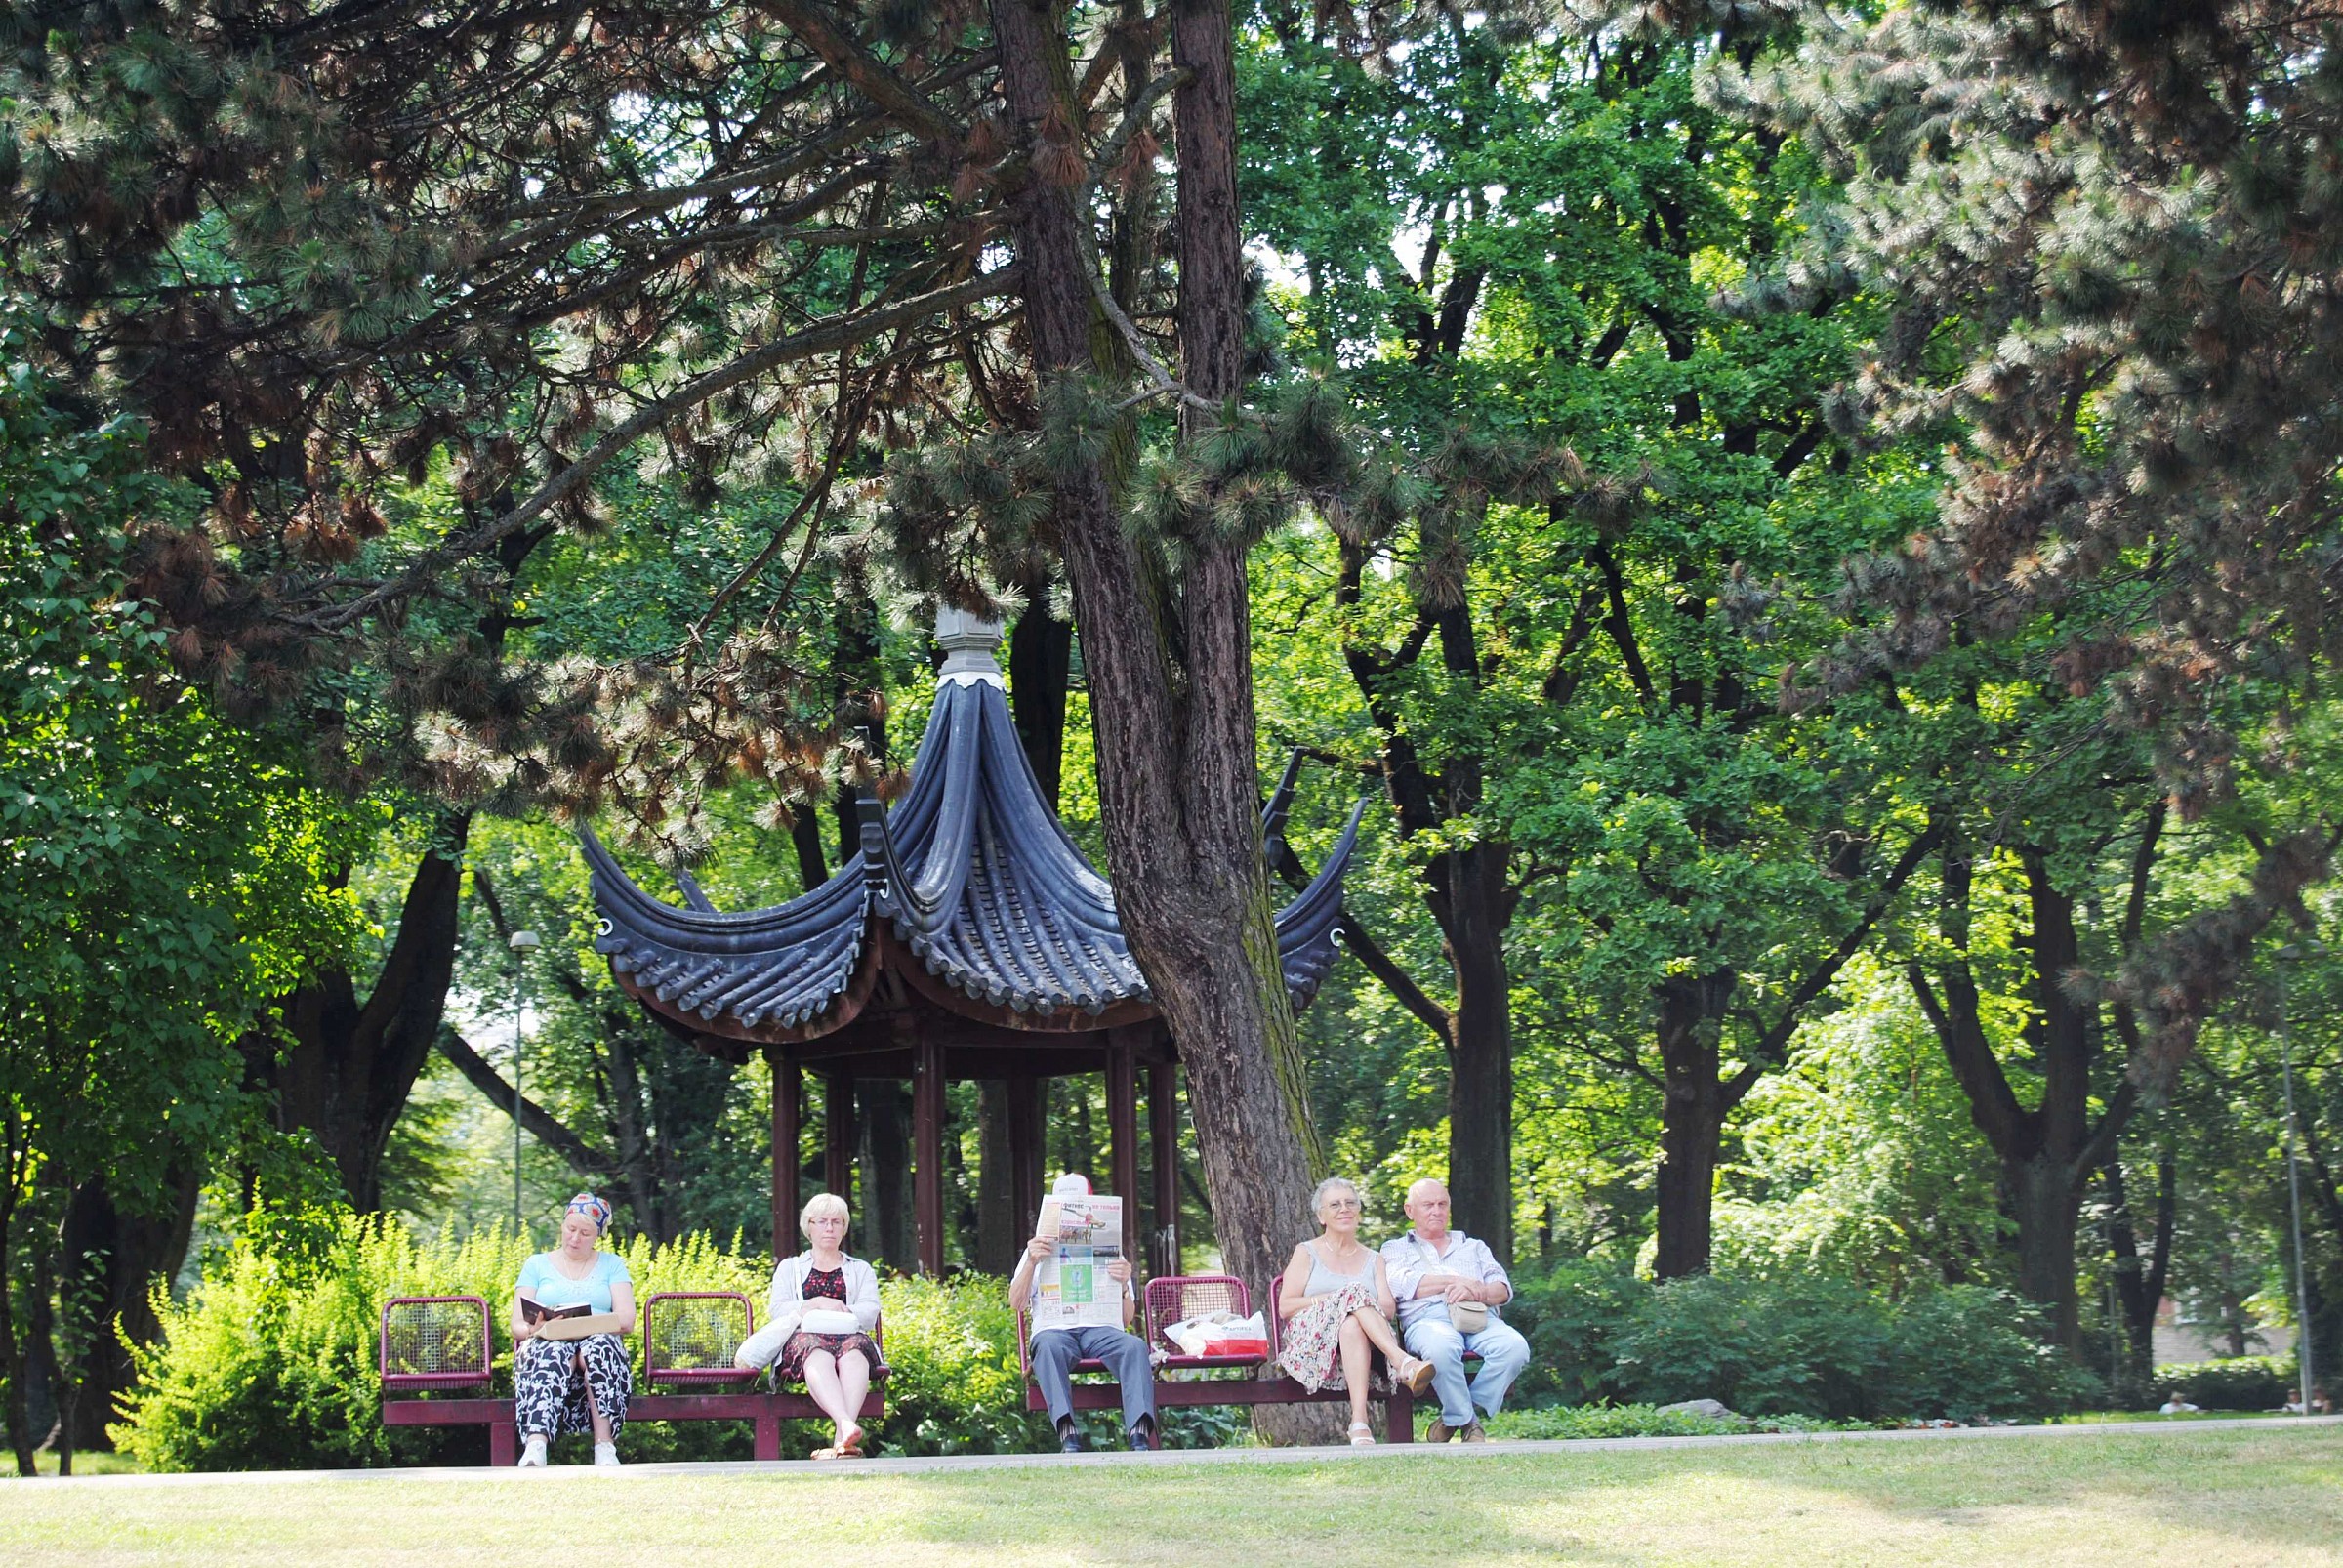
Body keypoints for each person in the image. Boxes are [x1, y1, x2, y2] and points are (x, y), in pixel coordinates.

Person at [1275, 1177, 1437, 1446]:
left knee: (1351, 1324)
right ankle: (1402, 1362)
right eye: (1335, 1204)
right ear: (1321, 1216)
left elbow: (1387, 1309)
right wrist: (1335, 1300)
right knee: (1353, 1292)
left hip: (1364, 1344)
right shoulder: (1306, 1252)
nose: (1344, 1209)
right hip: (1313, 1345)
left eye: (1350, 1203)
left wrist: (1351, 1306)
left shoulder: (1374, 1259)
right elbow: (1286, 1307)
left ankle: (1359, 1422)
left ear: (1359, 1212)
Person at [1009, 1174, 1156, 1453]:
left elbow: (1126, 1318)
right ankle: (1067, 1431)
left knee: (1134, 1347)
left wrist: (1124, 1285)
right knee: (1047, 1346)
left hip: (1100, 1330)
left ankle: (1139, 1432)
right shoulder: (1035, 1251)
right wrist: (1031, 1263)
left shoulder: (1111, 1251)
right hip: (1055, 1330)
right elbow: (1017, 1303)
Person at [733, 1192, 884, 1459]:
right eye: (822, 1221)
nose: (829, 1228)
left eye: (836, 1222)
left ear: (844, 1227)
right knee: (815, 1351)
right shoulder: (789, 1268)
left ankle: (842, 1439)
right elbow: (778, 1310)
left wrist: (841, 1309)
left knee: (856, 1352)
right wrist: (814, 1304)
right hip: (805, 1338)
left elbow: (870, 1312)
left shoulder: (860, 1269)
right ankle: (846, 1425)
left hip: (849, 1335)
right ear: (809, 1227)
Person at [1378, 1178, 1531, 1443]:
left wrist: (1479, 1291)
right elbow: (1399, 1284)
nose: (1436, 1211)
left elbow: (1503, 1289)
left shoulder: (1474, 1246)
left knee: (1515, 1349)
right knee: (1441, 1349)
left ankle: (1456, 1416)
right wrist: (1456, 1281)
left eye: (1442, 1204)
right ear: (1409, 1210)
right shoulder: (1395, 1248)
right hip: (1428, 1320)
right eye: (1428, 1205)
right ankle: (1469, 1423)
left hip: (1478, 1317)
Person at [512, 1192, 636, 1467]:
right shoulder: (536, 1264)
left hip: (598, 1339)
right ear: (562, 1226)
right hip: (549, 1340)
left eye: (585, 1233)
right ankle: (535, 1444)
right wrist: (535, 1329)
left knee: (599, 1348)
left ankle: (605, 1446)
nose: (575, 1238)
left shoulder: (613, 1264)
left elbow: (626, 1319)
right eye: (571, 1229)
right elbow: (517, 1325)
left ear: (598, 1236)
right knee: (552, 1351)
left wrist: (589, 1325)